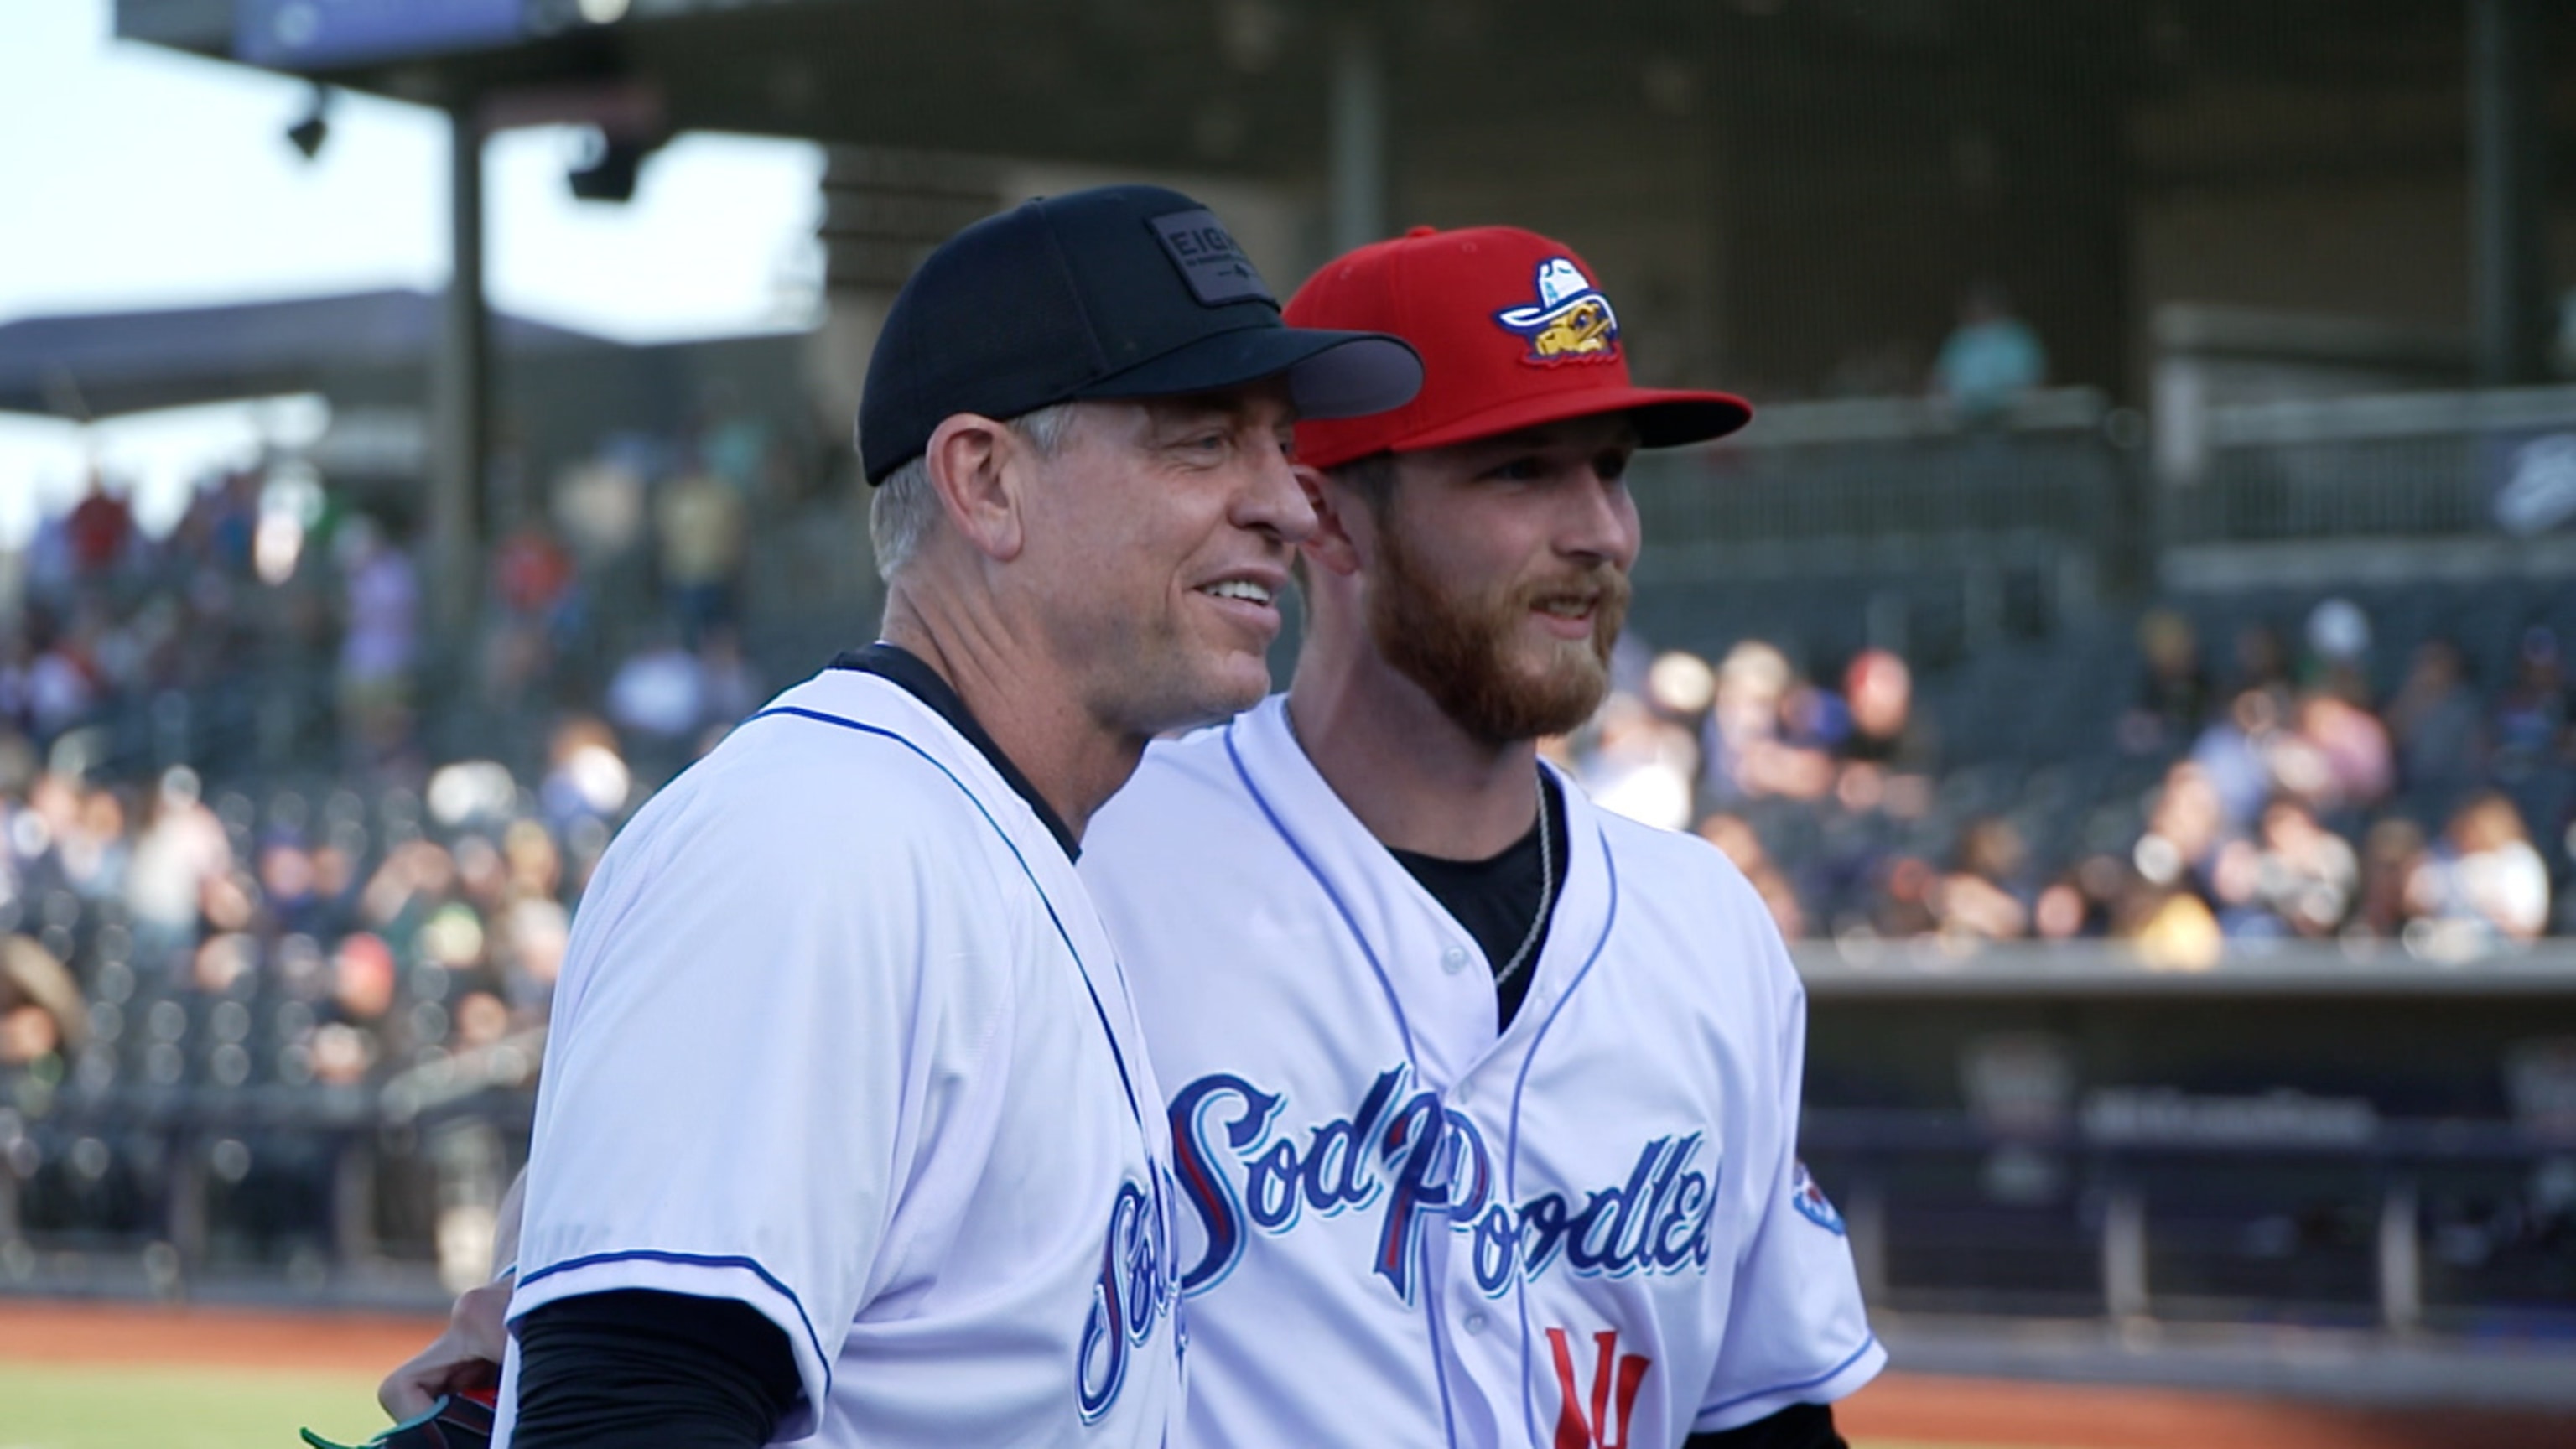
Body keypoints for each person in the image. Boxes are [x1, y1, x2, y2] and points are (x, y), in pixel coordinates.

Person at [375, 184, 1420, 1449]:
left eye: (1281, 445)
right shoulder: (824, 842)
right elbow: (632, 1415)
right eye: (1205, 441)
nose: (1289, 504)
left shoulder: (986, 836)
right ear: (984, 481)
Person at [1082, 227, 1879, 1448]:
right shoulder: (1103, 872)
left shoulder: (1704, 925)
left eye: (1610, 469)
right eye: (1519, 472)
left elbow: (1762, 1414)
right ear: (1327, 521)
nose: (1600, 531)